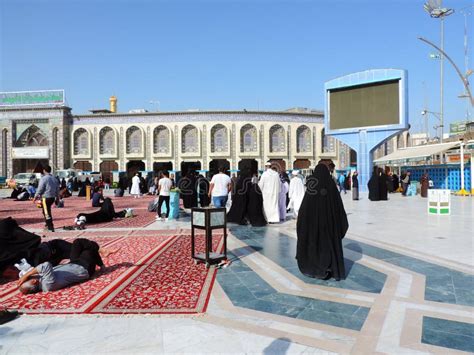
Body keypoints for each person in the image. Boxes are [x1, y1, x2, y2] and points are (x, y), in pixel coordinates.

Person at [297, 163, 348, 281]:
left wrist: (303, 226)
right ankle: (328, 267)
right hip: (329, 227)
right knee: (328, 245)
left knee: (314, 244)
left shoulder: (312, 188)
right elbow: (339, 209)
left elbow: (304, 211)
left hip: (313, 227)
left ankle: (316, 268)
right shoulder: (331, 186)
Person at [18, 238, 115, 294]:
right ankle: (102, 263)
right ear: (34, 281)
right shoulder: (48, 285)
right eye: (29, 279)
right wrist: (26, 275)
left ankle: (102, 255)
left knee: (78, 242)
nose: (29, 277)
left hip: (74, 263)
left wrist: (25, 274)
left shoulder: (41, 280)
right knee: (90, 247)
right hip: (84, 268)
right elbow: (46, 265)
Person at [33, 165, 59, 232]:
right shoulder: (54, 178)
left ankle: (50, 227)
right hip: (52, 197)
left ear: (44, 170)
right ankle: (47, 225)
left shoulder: (44, 178)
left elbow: (40, 188)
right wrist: (57, 197)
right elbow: (57, 189)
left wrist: (35, 196)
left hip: (46, 197)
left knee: (46, 212)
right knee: (46, 211)